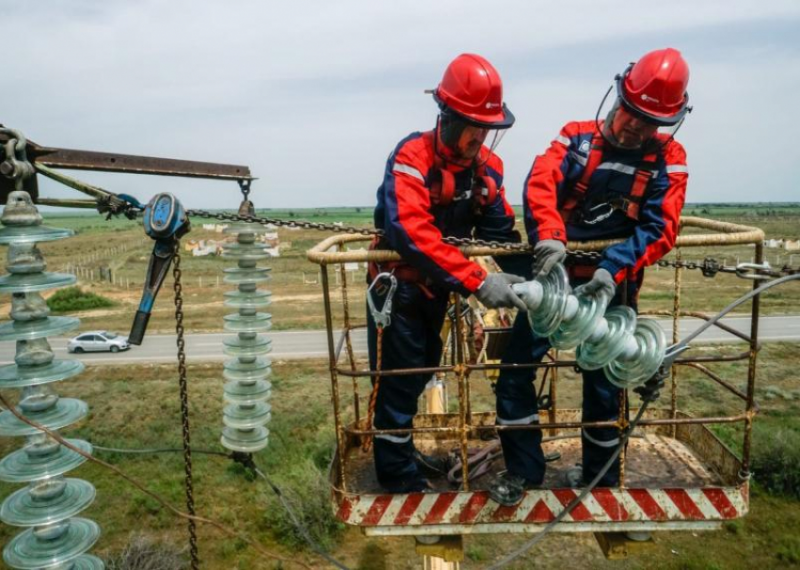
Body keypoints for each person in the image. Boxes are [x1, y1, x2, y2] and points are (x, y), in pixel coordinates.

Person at [490, 48, 691, 506]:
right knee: (516, 373)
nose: (635, 127)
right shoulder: (575, 139)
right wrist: (550, 239)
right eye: (631, 113)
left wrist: (611, 266)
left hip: (611, 288)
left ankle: (600, 479)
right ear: (618, 97)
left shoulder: (668, 158)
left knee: (605, 385)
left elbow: (661, 227)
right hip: (554, 287)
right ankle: (525, 471)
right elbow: (542, 182)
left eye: (648, 122)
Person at [368, 53, 526, 493]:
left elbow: (499, 232)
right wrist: (478, 281)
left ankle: (401, 452)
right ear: (447, 116)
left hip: (438, 289)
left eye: (487, 129)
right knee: (398, 380)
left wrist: (538, 274)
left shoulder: (487, 171)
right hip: (397, 291)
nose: (481, 137)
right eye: (473, 126)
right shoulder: (411, 157)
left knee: (422, 370)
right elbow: (410, 233)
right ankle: (397, 475)